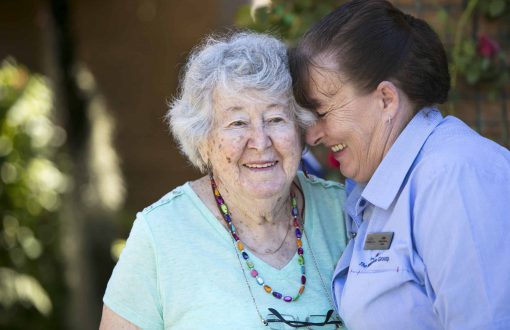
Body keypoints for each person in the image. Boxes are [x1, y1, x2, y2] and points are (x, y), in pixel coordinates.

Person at [99, 32, 348, 329]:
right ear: (203, 140)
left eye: (276, 119)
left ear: (299, 128)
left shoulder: (344, 213)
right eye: (237, 123)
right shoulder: (161, 233)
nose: (260, 141)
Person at [289, 1, 510, 329]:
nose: (313, 136)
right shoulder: (380, 185)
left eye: (321, 112)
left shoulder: (455, 176)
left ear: (386, 100)